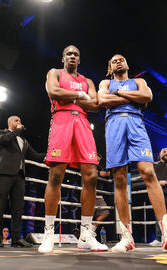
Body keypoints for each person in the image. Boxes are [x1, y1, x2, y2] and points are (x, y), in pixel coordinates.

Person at [97, 54, 167, 253]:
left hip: (136, 123)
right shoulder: (105, 82)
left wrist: (119, 94)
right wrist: (131, 97)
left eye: (121, 59)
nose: (118, 61)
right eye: (113, 60)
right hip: (113, 125)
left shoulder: (139, 81)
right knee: (119, 180)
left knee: (148, 173)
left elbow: (147, 97)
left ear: (127, 64)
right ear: (110, 68)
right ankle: (126, 237)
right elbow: (102, 99)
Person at [38, 45, 108, 253]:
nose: (72, 56)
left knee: (92, 176)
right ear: (63, 58)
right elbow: (53, 91)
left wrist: (78, 97)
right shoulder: (55, 73)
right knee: (56, 175)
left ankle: (86, 234)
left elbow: (96, 104)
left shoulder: (88, 81)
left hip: (83, 124)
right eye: (68, 53)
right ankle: (48, 233)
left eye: (76, 54)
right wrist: (80, 96)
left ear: (79, 59)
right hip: (61, 120)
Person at [0, 115, 45, 248]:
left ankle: (16, 239)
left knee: (18, 209)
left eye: (20, 121)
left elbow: (34, 155)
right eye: (17, 120)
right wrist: (16, 131)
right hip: (4, 174)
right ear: (10, 123)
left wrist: (51, 154)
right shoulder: (1, 133)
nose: (19, 122)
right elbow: (3, 141)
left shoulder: (23, 140)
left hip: (19, 176)